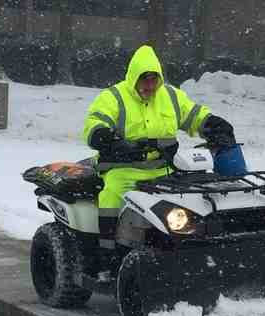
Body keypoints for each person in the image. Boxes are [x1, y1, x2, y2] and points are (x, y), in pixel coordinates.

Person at [82, 44, 235, 256]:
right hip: (123, 169)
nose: (150, 85)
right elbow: (94, 123)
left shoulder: (171, 96)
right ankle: (107, 252)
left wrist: (212, 124)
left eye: (154, 79)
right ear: (134, 77)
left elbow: (193, 115)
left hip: (166, 170)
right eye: (145, 80)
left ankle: (194, 246)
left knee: (194, 201)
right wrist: (107, 138)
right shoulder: (113, 97)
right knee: (112, 195)